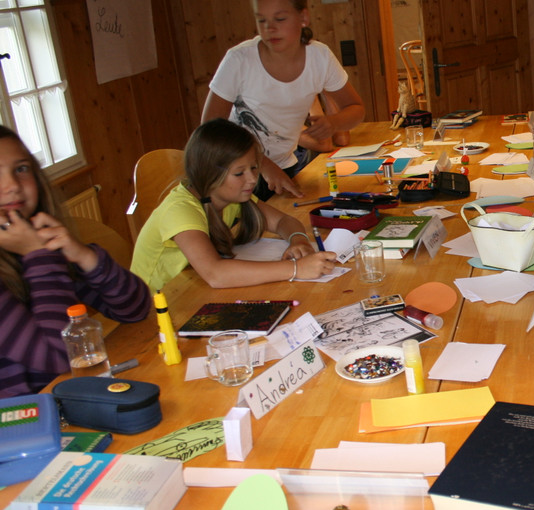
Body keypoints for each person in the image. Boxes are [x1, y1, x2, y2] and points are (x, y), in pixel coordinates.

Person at [0, 127, 150, 398]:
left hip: (63, 401)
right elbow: (61, 356)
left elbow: (136, 308)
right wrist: (39, 257)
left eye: (21, 169)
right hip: (21, 419)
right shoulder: (38, 256)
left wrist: (83, 256)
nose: (12, 185)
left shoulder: (36, 250)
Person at [202, 0, 365, 201]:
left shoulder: (319, 57)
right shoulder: (239, 59)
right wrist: (262, 164)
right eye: (261, 20)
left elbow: (356, 109)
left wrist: (333, 123)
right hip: (233, 173)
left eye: (280, 19)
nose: (270, 28)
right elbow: (209, 128)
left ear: (303, 17)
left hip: (282, 166)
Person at [131, 119, 338, 292]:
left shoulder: (230, 197)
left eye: (254, 168)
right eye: (239, 173)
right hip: (155, 307)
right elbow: (215, 274)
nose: (252, 179)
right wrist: (295, 269)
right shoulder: (180, 211)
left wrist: (299, 241)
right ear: (210, 174)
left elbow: (283, 220)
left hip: (192, 291)